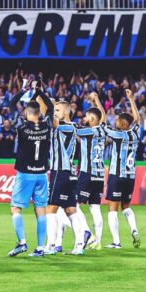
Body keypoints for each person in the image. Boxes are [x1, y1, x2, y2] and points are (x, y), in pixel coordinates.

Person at [6, 76, 56, 258]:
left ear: (27, 113)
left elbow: (11, 105)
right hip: (42, 175)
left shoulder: (22, 126)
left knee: (15, 208)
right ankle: (41, 247)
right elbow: (50, 107)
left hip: (25, 174)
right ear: (39, 114)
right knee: (40, 210)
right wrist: (37, 91)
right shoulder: (47, 125)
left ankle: (22, 243)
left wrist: (24, 89)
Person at [44, 101, 89, 255]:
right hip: (71, 174)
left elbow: (52, 120)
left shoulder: (64, 127)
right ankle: (79, 246)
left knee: (50, 209)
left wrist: (47, 103)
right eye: (55, 110)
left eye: (58, 110)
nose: (55, 113)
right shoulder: (75, 127)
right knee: (71, 210)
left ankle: (50, 246)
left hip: (60, 172)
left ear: (66, 112)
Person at [104, 89, 142, 249]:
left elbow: (101, 124)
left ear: (123, 123)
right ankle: (134, 229)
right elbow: (137, 119)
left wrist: (97, 104)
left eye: (118, 120)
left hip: (117, 175)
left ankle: (116, 242)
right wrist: (131, 99)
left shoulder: (117, 135)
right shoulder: (135, 133)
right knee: (126, 207)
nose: (116, 121)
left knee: (112, 209)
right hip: (130, 176)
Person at [75, 92, 108, 250]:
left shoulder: (88, 131)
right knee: (95, 207)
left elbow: (72, 130)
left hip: (86, 173)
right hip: (100, 175)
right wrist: (97, 101)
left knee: (74, 204)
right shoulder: (103, 130)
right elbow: (103, 117)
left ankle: (87, 232)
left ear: (92, 119)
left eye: (87, 116)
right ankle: (98, 242)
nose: (84, 119)